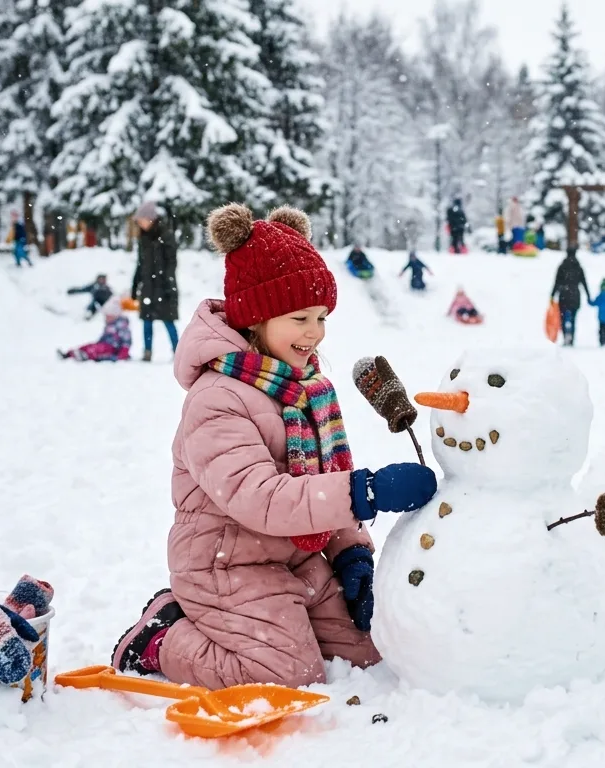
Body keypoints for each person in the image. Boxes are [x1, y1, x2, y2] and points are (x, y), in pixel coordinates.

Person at [110, 203, 437, 689]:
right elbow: (261, 499)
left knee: (374, 649)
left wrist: (352, 553)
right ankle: (161, 636)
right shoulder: (217, 399)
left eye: (322, 317)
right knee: (287, 674)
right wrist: (366, 492)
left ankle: (281, 620)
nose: (315, 333)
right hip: (225, 564)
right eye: (300, 318)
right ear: (255, 318)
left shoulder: (306, 387)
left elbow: (322, 478)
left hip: (296, 557)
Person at [131, 201, 179, 362]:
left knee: (168, 321)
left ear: (151, 218)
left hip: (163, 286)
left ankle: (178, 352)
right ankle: (147, 352)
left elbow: (171, 262)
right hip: (148, 287)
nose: (140, 224)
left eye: (141, 220)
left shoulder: (166, 235)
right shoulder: (143, 239)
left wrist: (168, 283)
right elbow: (140, 263)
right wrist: (135, 284)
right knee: (146, 321)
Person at [58, 297, 131, 361]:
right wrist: (98, 343)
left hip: (113, 349)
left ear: (114, 315)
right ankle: (69, 354)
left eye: (108, 316)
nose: (106, 318)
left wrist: (122, 354)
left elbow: (126, 342)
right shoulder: (109, 326)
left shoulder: (122, 326)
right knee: (89, 346)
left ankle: (84, 356)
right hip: (103, 344)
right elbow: (104, 337)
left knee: (95, 350)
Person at [550, 246, 592, 346]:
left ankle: (565, 336)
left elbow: (557, 282)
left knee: (563, 317)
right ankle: (571, 337)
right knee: (573, 318)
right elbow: (584, 282)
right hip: (575, 295)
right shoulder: (578, 266)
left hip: (564, 295)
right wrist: (588, 295)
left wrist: (552, 295)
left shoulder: (562, 266)